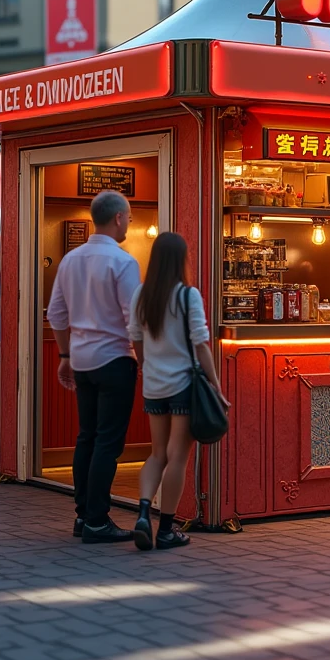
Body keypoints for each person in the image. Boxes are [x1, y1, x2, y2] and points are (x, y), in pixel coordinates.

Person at [48, 191, 141, 543]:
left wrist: (65, 356)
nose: (129, 222)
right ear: (118, 218)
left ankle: (83, 515)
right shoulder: (123, 262)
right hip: (115, 359)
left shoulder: (71, 259)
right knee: (108, 442)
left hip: (82, 361)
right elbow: (135, 320)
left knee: (86, 437)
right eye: (128, 217)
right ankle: (98, 520)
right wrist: (145, 362)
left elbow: (56, 313)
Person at [129, 232, 229, 551]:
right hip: (185, 386)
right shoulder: (188, 296)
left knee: (157, 453)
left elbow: (136, 338)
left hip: (154, 385)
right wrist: (215, 383)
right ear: (182, 259)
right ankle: (167, 530)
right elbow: (200, 343)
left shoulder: (141, 295)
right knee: (178, 457)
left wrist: (146, 366)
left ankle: (144, 512)